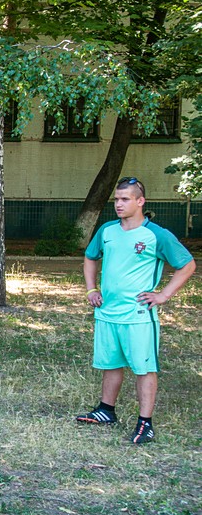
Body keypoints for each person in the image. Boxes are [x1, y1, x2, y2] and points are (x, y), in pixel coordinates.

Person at [77, 176, 195, 444]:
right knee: (111, 363)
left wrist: (164, 294)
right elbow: (90, 257)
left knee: (144, 368)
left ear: (140, 201)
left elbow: (187, 265)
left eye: (125, 199)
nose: (119, 204)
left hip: (138, 315)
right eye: (117, 199)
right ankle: (106, 411)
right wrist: (91, 289)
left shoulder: (157, 235)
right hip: (107, 312)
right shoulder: (107, 230)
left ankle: (146, 423)